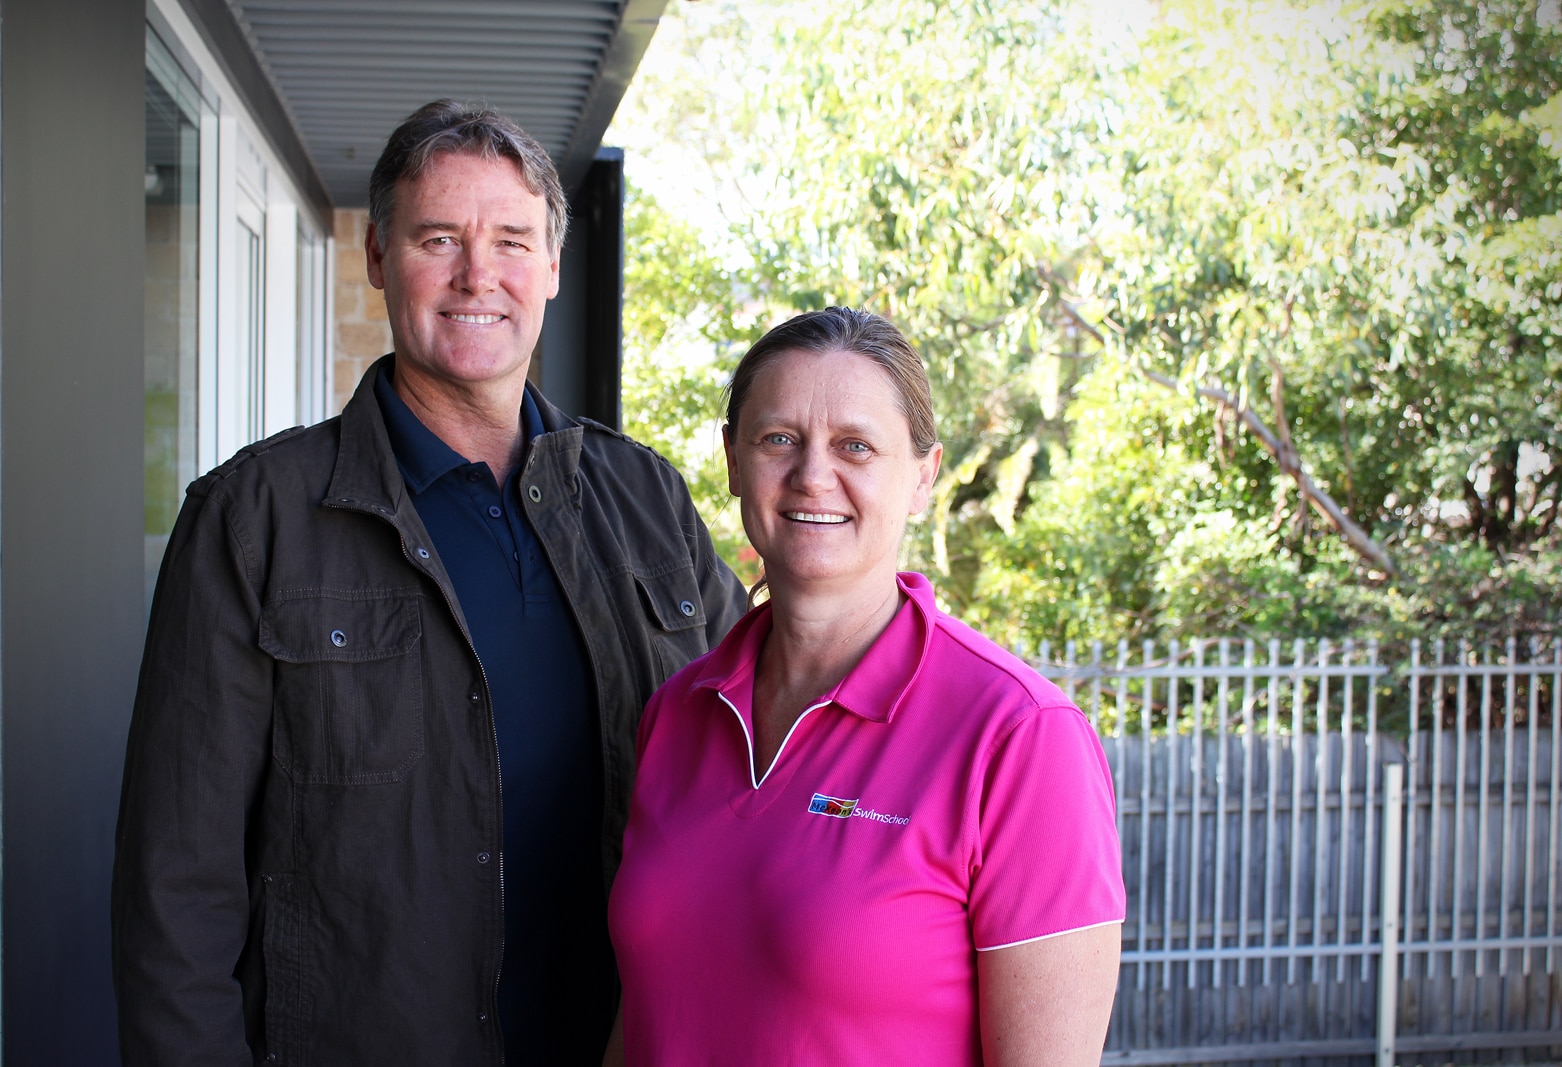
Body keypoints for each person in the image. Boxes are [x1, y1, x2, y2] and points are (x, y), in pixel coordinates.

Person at [111, 99, 746, 1066]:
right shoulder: (254, 521)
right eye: (438, 237)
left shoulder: (645, 498)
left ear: (553, 265)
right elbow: (175, 892)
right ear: (378, 256)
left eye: (512, 241)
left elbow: (780, 732)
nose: (477, 275)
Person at [606, 307, 1125, 1065]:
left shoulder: (1020, 738)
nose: (813, 475)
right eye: (779, 438)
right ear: (733, 461)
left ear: (923, 476)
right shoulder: (677, 714)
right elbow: (646, 1014)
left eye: (856, 445)